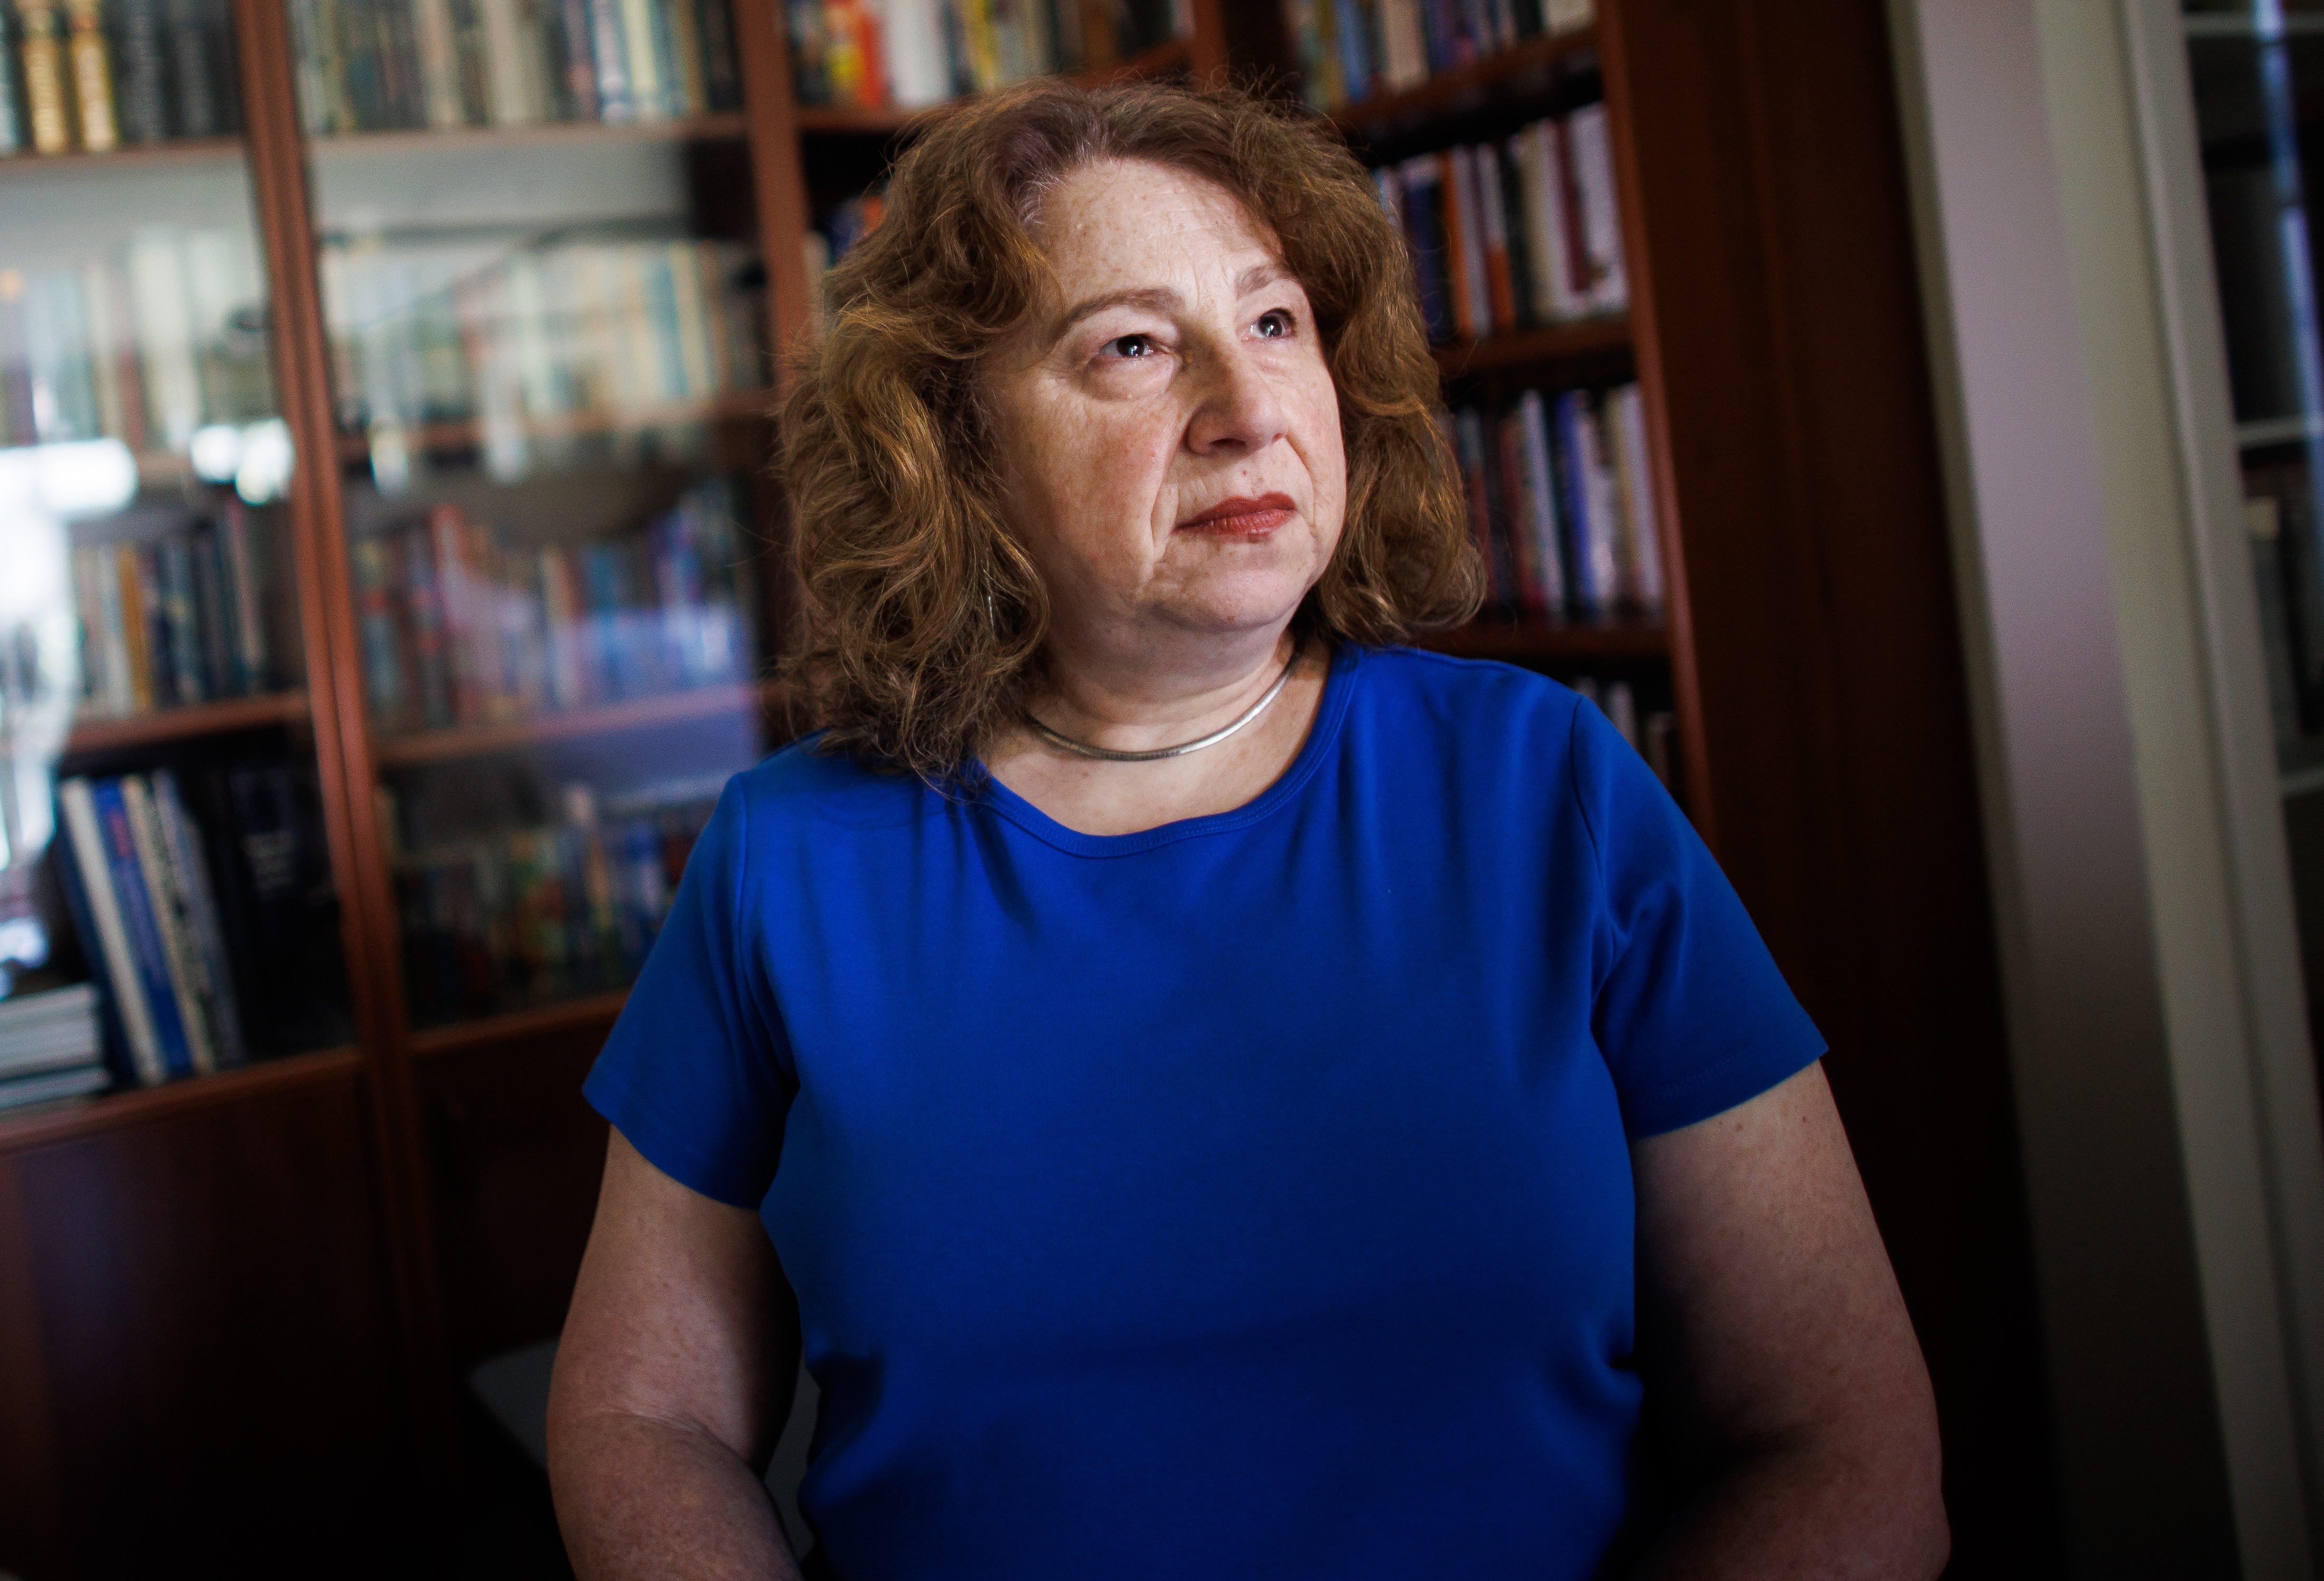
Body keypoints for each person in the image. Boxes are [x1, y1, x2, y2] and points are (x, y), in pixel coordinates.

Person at [545, 77, 1946, 1579]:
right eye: (1135, 347)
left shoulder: (1550, 788)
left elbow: (1846, 1447)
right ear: (957, 453)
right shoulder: (788, 860)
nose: (1249, 405)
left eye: (1276, 325)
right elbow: (644, 1418)